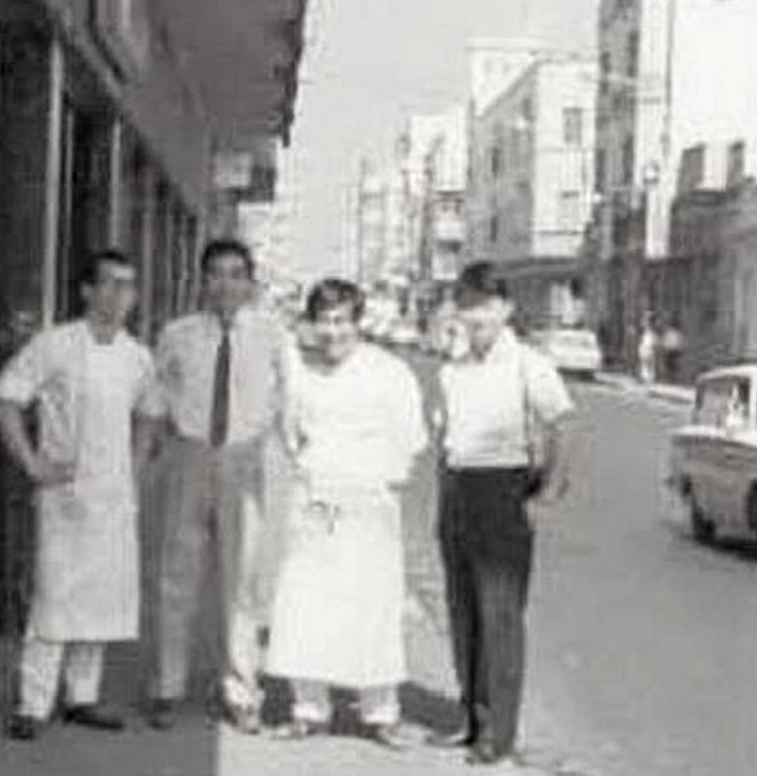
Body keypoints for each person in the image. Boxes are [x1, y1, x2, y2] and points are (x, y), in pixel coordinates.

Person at [0, 250, 166, 740]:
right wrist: (31, 463)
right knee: (55, 596)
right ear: (87, 290)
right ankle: (33, 703)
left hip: (113, 496)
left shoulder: (137, 356)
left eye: (127, 286)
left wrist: (136, 462)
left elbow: (152, 410)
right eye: (108, 283)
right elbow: (5, 398)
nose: (118, 295)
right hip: (64, 494)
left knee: (102, 598)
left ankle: (82, 697)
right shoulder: (55, 344)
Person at [264, 278, 427, 748]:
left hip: (370, 501)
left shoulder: (389, 372)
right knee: (306, 600)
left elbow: (411, 439)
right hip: (317, 497)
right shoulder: (302, 372)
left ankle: (382, 713)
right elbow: (290, 432)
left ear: (358, 323)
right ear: (312, 324)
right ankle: (309, 709)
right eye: (324, 321)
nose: (332, 331)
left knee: (371, 604)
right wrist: (316, 475)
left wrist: (375, 479)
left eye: (341, 321)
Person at [142, 238, 292, 733]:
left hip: (245, 460)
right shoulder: (177, 334)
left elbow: (292, 398)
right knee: (175, 576)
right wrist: (157, 453)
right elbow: (157, 396)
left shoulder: (273, 335)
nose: (226, 284)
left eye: (236, 274)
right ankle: (167, 685)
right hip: (190, 456)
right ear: (202, 281)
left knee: (242, 582)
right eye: (216, 274)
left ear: (250, 282)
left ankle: (241, 690)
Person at [432, 262, 574, 769]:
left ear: (506, 308)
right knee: (462, 611)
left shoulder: (528, 364)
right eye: (467, 305)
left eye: (485, 305)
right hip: (457, 490)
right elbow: (445, 436)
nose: (475, 316)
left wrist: (548, 489)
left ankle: (498, 733)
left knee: (500, 616)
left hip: (501, 490)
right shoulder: (454, 367)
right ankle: (470, 718)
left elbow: (561, 424)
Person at [637, 315, 658, 385]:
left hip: (648, 349)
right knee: (645, 366)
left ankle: (649, 381)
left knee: (648, 366)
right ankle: (647, 380)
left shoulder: (651, 332)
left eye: (645, 321)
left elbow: (653, 342)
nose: (643, 322)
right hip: (645, 349)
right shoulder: (646, 332)